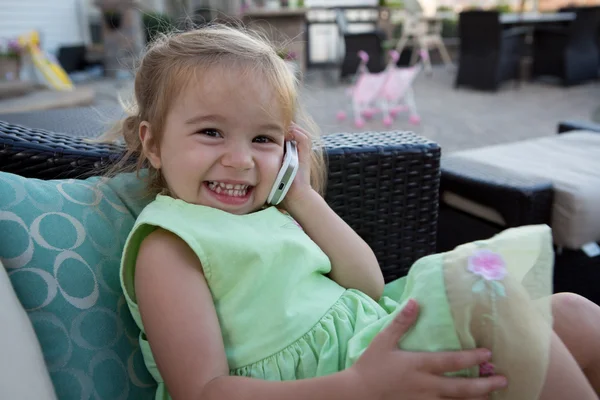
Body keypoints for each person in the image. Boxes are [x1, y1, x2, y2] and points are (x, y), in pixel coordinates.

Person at [110, 24, 600, 400]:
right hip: (337, 386)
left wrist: (301, 194)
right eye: (211, 132)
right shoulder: (171, 243)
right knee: (482, 290)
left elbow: (367, 284)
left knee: (573, 314)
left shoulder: (275, 210)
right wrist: (360, 385)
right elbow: (204, 390)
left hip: (373, 345)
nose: (241, 160)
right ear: (152, 143)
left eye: (263, 138)